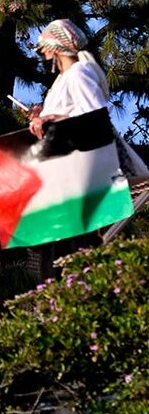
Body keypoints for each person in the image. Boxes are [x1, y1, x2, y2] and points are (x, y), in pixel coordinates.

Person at [26, 19, 148, 277]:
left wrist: (51, 119)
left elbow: (94, 118)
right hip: (67, 173)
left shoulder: (78, 75)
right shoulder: (65, 79)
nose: (42, 53)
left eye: (44, 47)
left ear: (55, 48)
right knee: (61, 245)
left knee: (71, 246)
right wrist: (46, 117)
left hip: (80, 176)